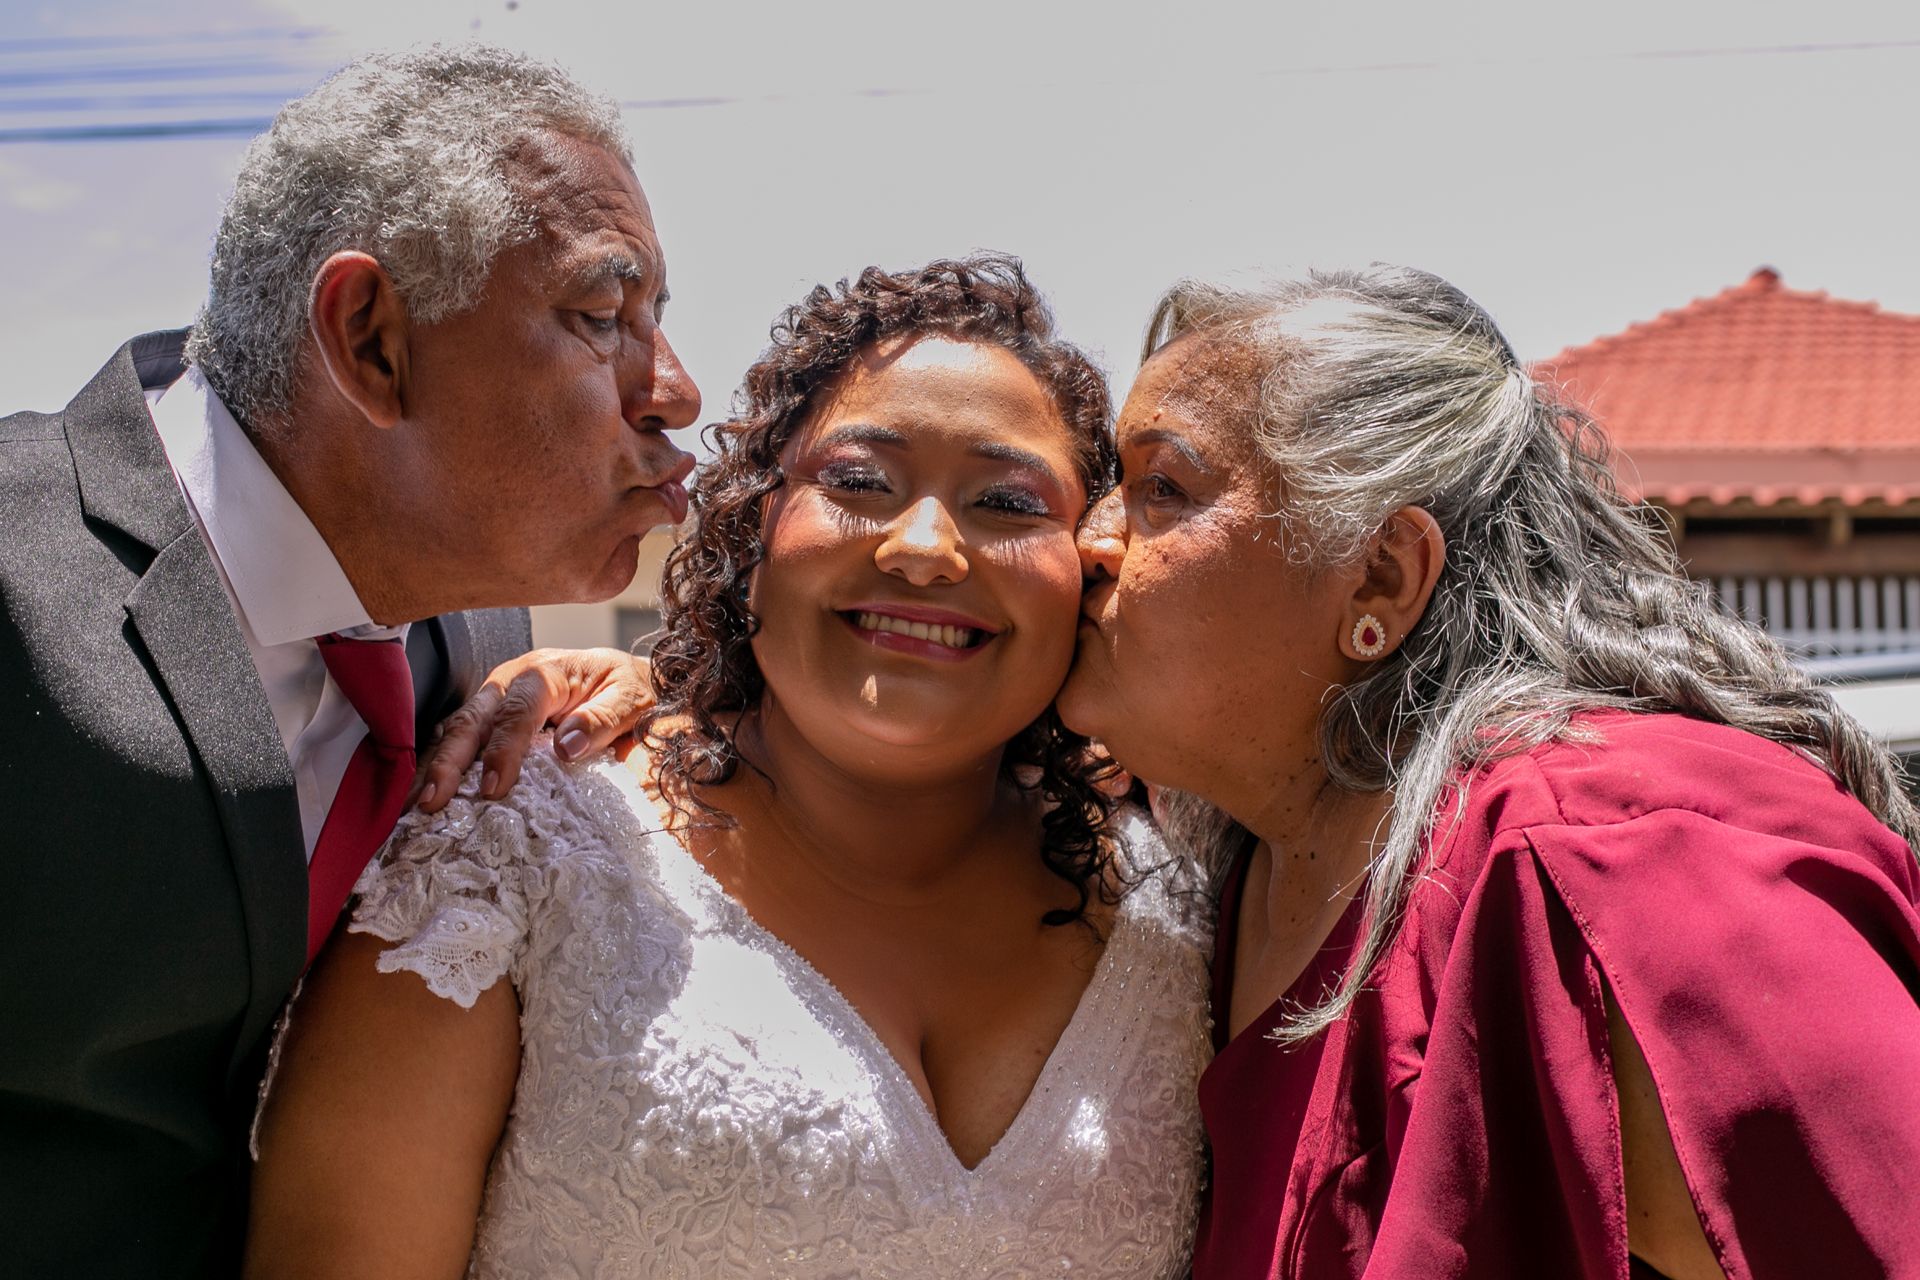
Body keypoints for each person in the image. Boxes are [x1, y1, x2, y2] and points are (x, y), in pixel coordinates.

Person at [247, 256, 1213, 1278]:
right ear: (754, 526)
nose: (925, 546)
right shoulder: (508, 854)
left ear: (1095, 564)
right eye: (859, 482)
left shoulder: (1189, 906)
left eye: (1009, 504)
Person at [1058, 265, 1920, 1278]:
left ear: (1381, 573)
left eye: (1163, 487)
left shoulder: (1613, 854)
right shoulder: (1238, 884)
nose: (1090, 540)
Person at [0, 45, 699, 1277]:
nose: (676, 391)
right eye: (604, 319)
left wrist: (648, 699)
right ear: (371, 338)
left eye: (658, 323)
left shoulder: (483, 638)